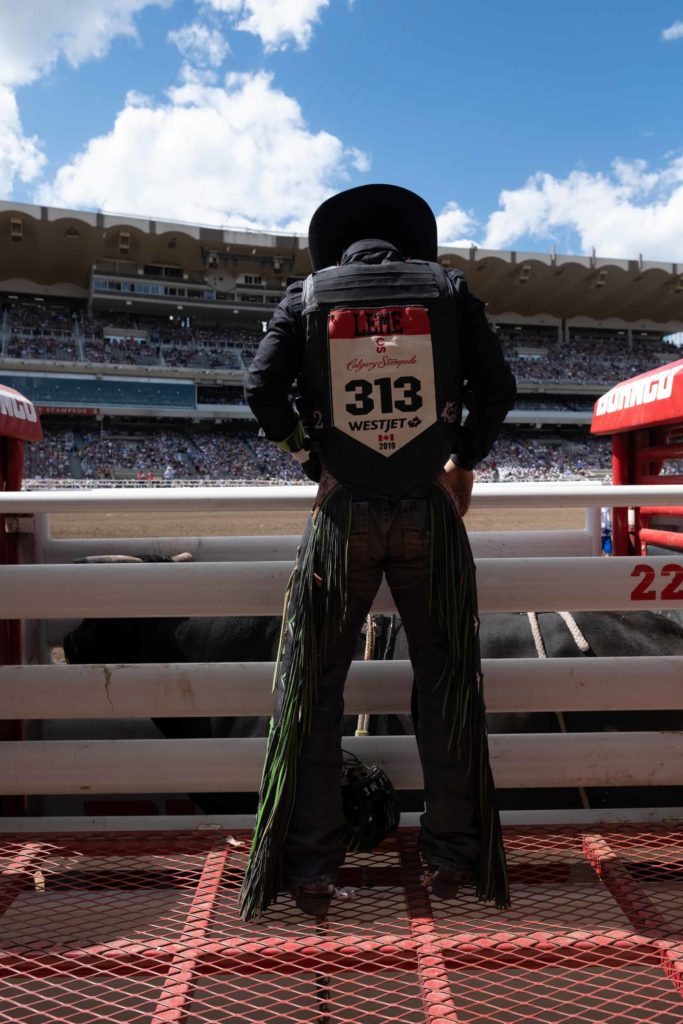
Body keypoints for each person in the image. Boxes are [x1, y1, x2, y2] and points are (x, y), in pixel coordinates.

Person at [239, 183, 516, 921]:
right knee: (448, 684)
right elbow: (499, 389)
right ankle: (454, 855)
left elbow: (260, 389)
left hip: (342, 511)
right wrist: (460, 462)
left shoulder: (306, 295)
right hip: (429, 506)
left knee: (313, 692)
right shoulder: (447, 290)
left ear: (335, 245)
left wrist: (309, 459)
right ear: (407, 241)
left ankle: (309, 868)